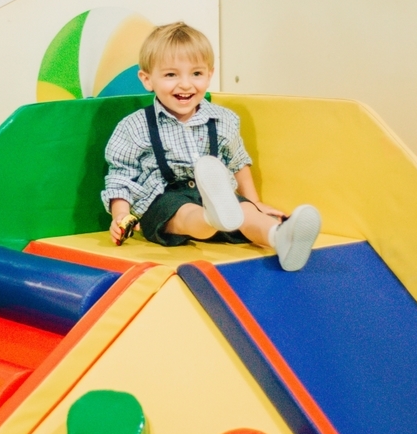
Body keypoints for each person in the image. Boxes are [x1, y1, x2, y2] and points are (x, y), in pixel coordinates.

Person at [102, 21, 322, 271]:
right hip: (166, 201)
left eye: (196, 74)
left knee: (246, 214)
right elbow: (121, 176)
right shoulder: (135, 126)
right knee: (185, 214)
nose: (185, 84)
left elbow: (238, 162)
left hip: (224, 197)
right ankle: (211, 216)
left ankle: (279, 237)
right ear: (147, 79)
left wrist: (254, 202)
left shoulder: (223, 119)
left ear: (209, 74)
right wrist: (121, 215)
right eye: (171, 75)